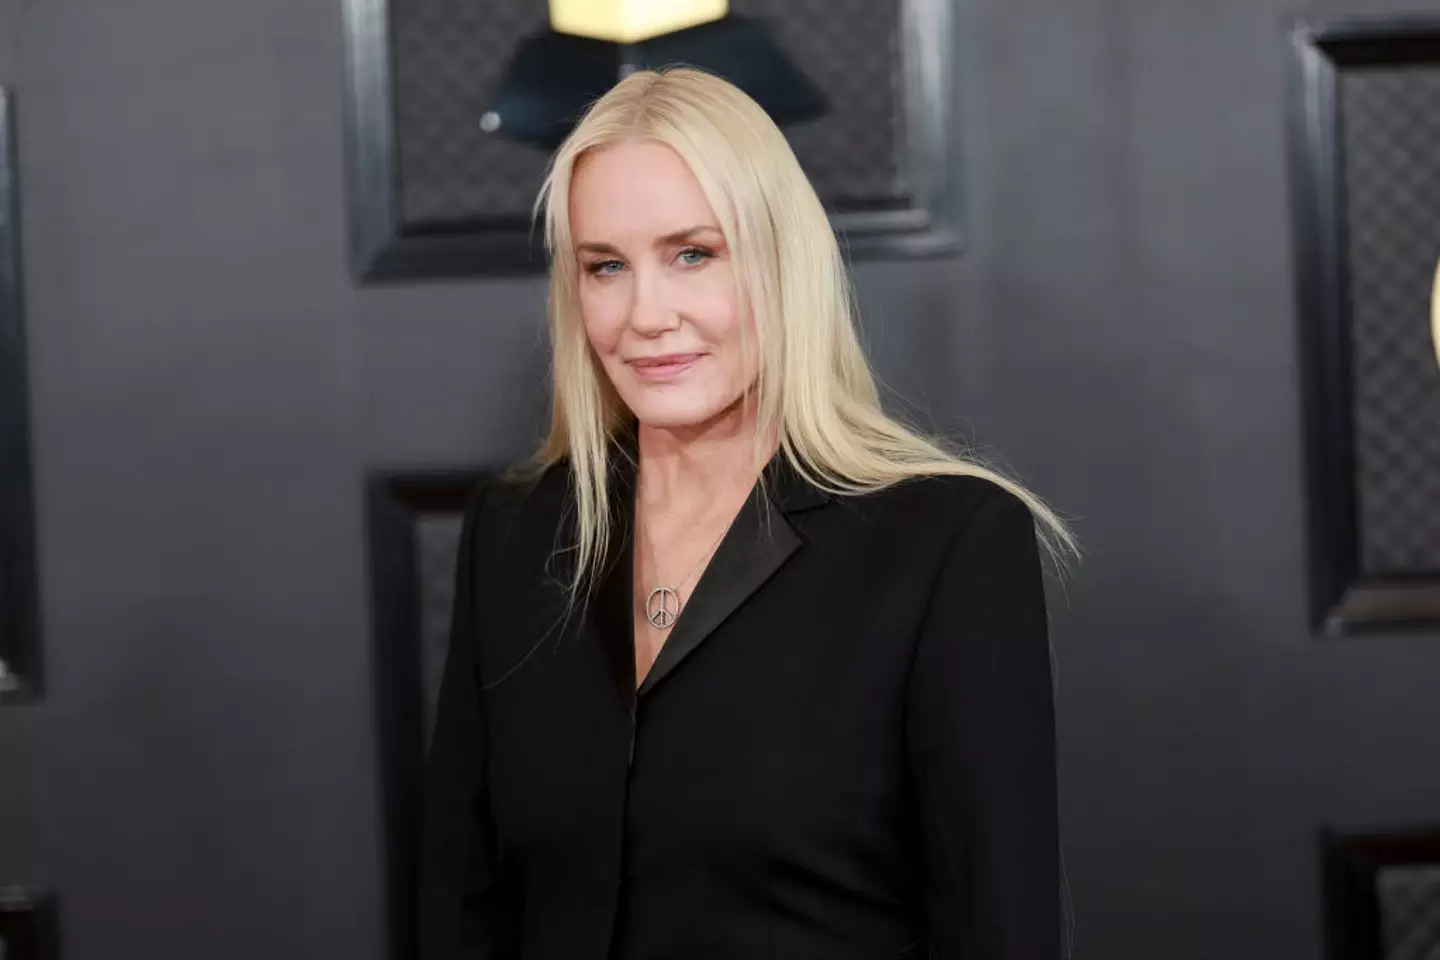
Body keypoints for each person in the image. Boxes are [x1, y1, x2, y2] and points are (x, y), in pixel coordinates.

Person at [419, 66, 1078, 960]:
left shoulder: (945, 543)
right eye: (606, 266)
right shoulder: (518, 532)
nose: (647, 314)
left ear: (781, 261)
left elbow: (998, 930)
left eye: (694, 253)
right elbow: (467, 910)